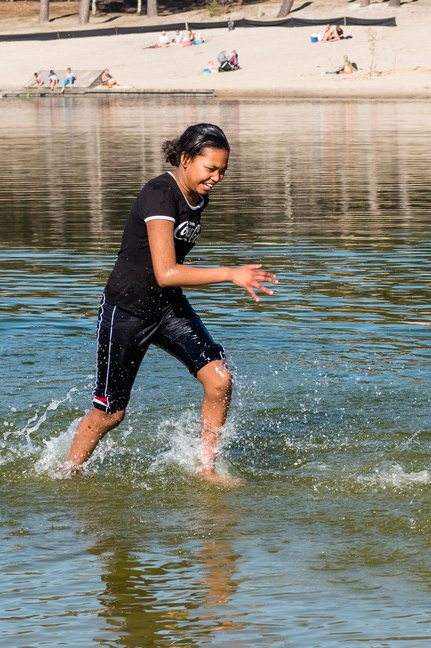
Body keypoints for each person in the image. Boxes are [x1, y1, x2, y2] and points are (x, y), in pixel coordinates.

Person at [63, 123, 277, 483]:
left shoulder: (198, 195)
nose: (217, 178)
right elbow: (165, 271)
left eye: (223, 171)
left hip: (164, 307)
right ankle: (66, 474)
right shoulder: (159, 195)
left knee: (219, 380)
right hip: (126, 310)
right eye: (210, 169)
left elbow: (164, 282)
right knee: (110, 414)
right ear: (185, 158)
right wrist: (230, 273)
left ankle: (206, 470)